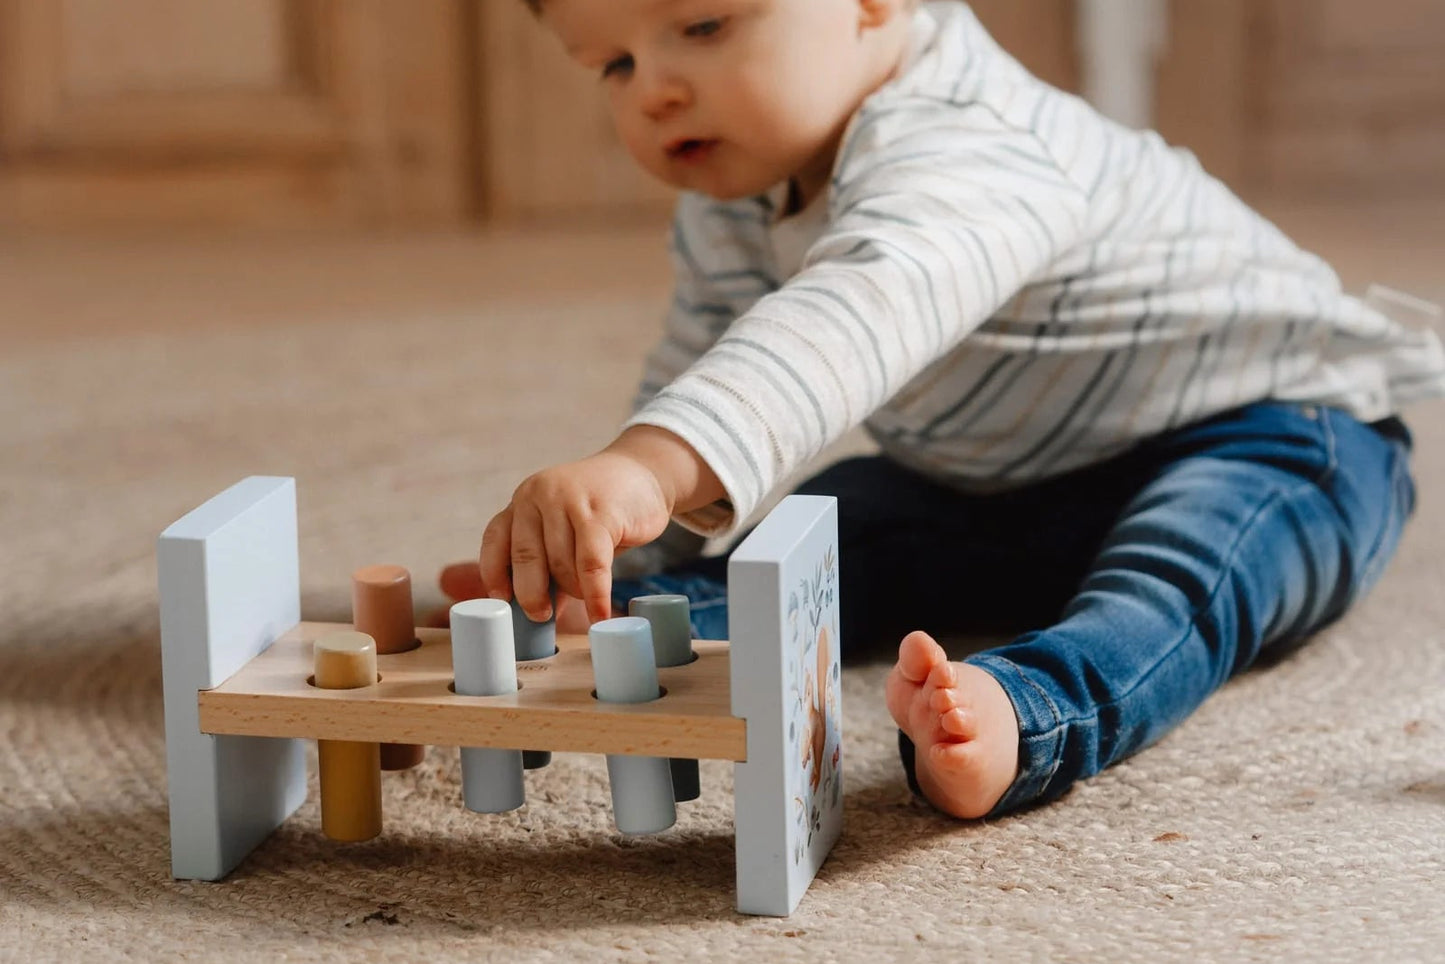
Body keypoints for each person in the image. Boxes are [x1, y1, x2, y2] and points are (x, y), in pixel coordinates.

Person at [441, 0, 1445, 819]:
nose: (654, 89)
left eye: (703, 28)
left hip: (1278, 435)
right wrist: (617, 536)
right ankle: (617, 621)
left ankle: (1029, 709)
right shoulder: (730, 199)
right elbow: (697, 364)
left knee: (1185, 572)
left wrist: (648, 466)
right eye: (610, 64)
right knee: (843, 518)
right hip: (1011, 478)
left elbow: (852, 315)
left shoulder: (966, 137)